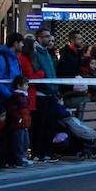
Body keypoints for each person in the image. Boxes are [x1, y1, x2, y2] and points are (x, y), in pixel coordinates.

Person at [32, 29, 60, 164]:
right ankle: (38, 153)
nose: (49, 39)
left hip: (50, 93)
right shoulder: (36, 53)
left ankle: (47, 152)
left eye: (50, 36)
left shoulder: (47, 53)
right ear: (39, 38)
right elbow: (38, 71)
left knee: (50, 124)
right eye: (46, 37)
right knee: (40, 125)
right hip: (41, 94)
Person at [0, 32, 24, 110]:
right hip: (3, 101)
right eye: (21, 42)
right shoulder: (0, 58)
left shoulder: (14, 57)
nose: (22, 45)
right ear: (15, 43)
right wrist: (10, 95)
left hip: (13, 98)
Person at [5, 75, 33, 168]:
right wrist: (19, 119)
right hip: (19, 124)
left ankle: (23, 158)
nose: (27, 86)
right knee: (19, 142)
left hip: (24, 122)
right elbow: (12, 110)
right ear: (19, 86)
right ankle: (19, 159)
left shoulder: (24, 96)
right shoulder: (16, 96)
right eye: (25, 85)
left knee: (25, 142)